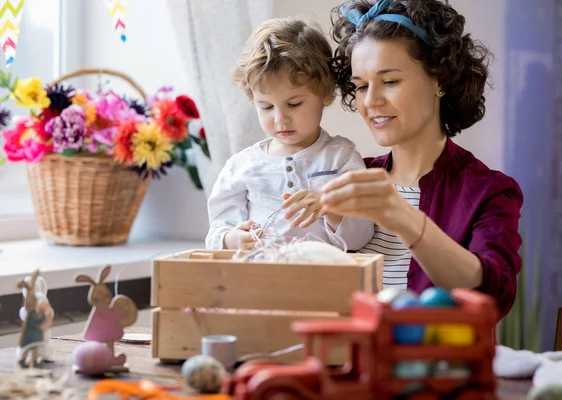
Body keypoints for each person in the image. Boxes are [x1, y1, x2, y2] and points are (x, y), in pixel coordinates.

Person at [317, 0, 523, 320]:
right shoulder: (350, 175)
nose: (371, 101)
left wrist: (406, 219)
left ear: (439, 80)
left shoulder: (490, 191)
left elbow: (494, 299)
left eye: (390, 81)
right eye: (360, 86)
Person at [205, 17, 374, 251]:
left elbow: (362, 237)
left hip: (323, 282)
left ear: (325, 93)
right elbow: (217, 232)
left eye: (294, 104)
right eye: (265, 106)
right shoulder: (241, 166)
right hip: (260, 281)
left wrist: (331, 210)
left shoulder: (341, 157)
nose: (280, 118)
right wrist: (229, 239)